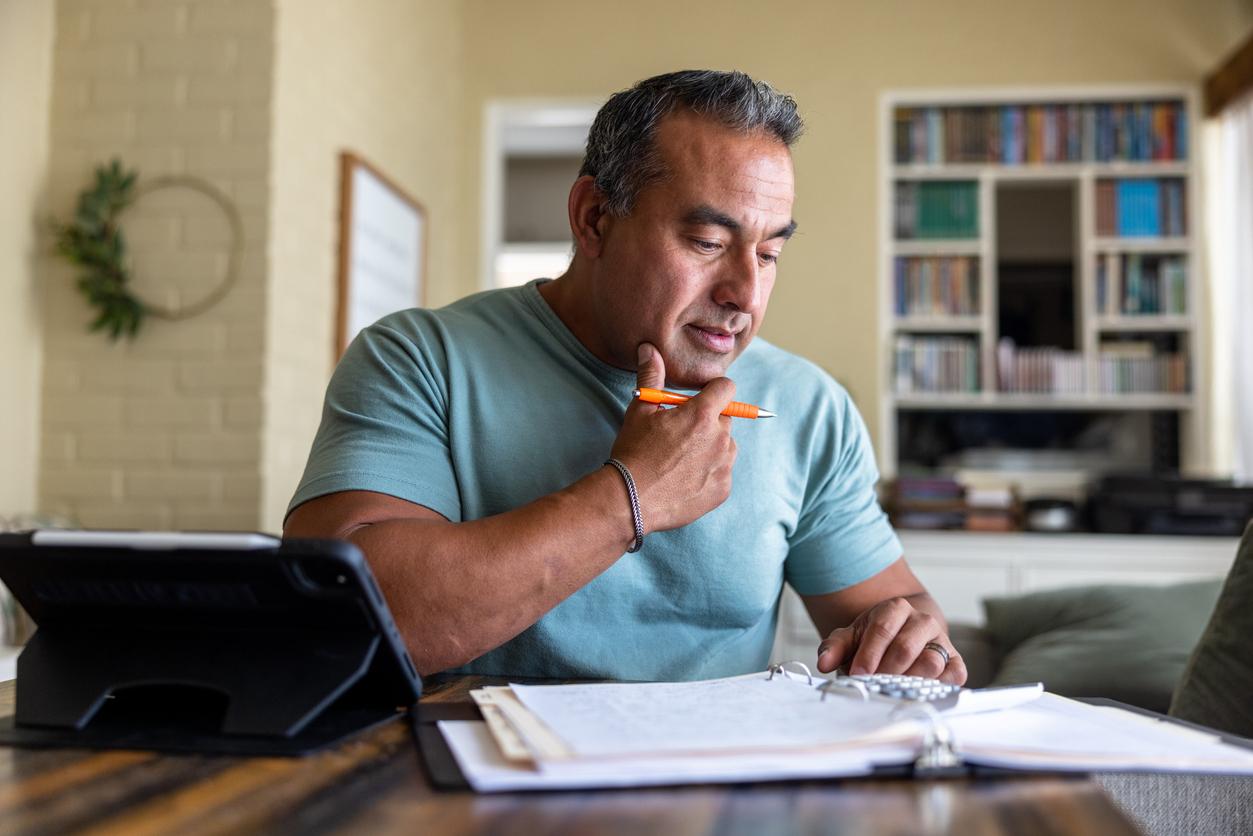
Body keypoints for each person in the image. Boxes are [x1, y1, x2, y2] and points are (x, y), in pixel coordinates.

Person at [284, 69, 966, 686]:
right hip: (464, 789)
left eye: (769, 252)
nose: (744, 292)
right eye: (707, 243)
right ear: (594, 218)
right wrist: (631, 496)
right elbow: (343, 623)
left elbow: (888, 608)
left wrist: (911, 639)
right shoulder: (417, 358)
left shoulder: (809, 406)